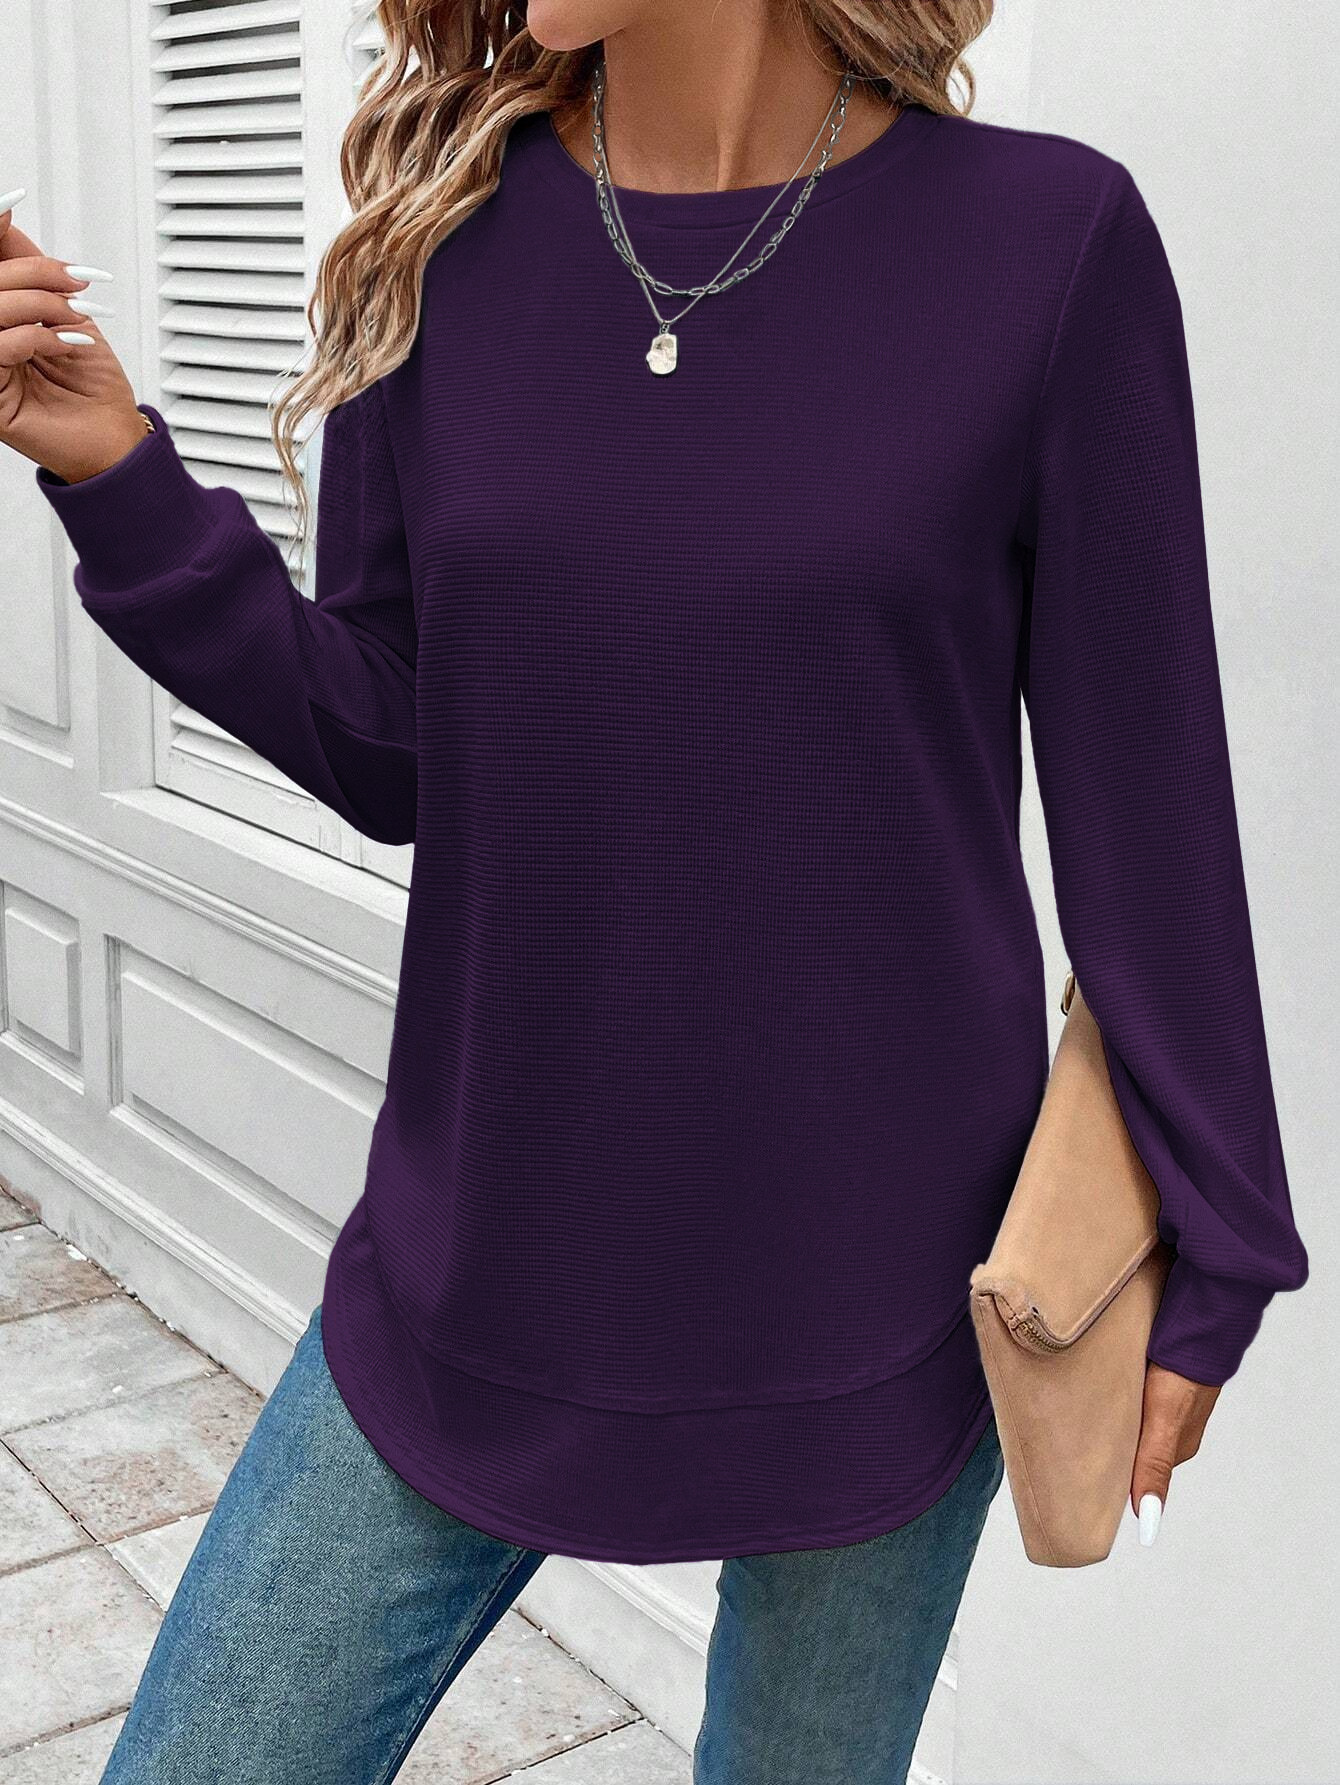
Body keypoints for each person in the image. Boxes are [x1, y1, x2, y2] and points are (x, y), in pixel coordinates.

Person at [0, 0, 1309, 1779]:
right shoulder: (434, 243)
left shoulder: (1049, 247)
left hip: (884, 1304)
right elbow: (392, 742)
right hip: (482, 1269)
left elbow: (1148, 803)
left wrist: (1221, 1237)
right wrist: (119, 476)